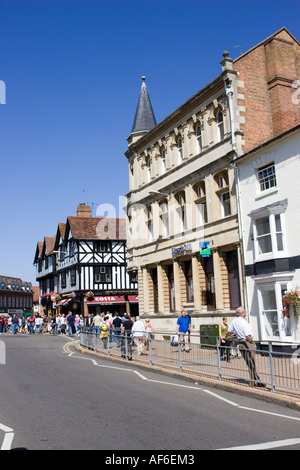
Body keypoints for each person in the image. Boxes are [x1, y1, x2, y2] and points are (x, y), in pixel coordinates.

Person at [225, 307, 265, 387]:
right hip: (247, 343)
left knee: (249, 363)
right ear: (242, 313)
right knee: (252, 363)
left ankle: (257, 380)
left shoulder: (234, 321)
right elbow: (248, 335)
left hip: (240, 343)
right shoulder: (244, 322)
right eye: (245, 311)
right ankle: (253, 382)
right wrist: (252, 342)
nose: (246, 312)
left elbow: (228, 331)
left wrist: (225, 337)